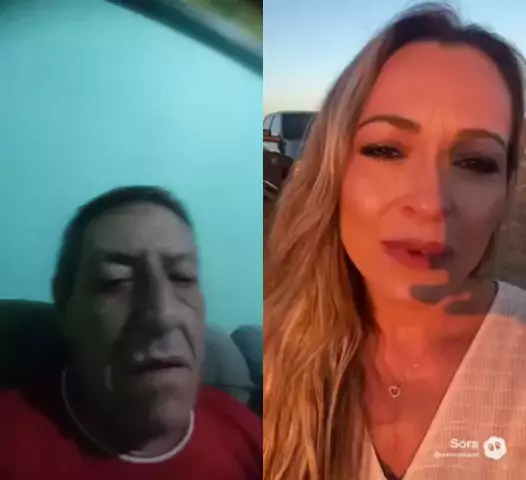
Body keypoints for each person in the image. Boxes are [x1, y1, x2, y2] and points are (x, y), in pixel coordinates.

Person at [264, 3, 526, 480]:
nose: (430, 203)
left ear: (506, 190)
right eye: (385, 150)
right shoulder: (268, 361)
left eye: (475, 162)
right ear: (332, 169)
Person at [0, 186, 262, 479]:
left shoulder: (248, 432)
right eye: (115, 281)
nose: (164, 315)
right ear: (65, 305)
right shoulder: (10, 442)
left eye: (182, 277)